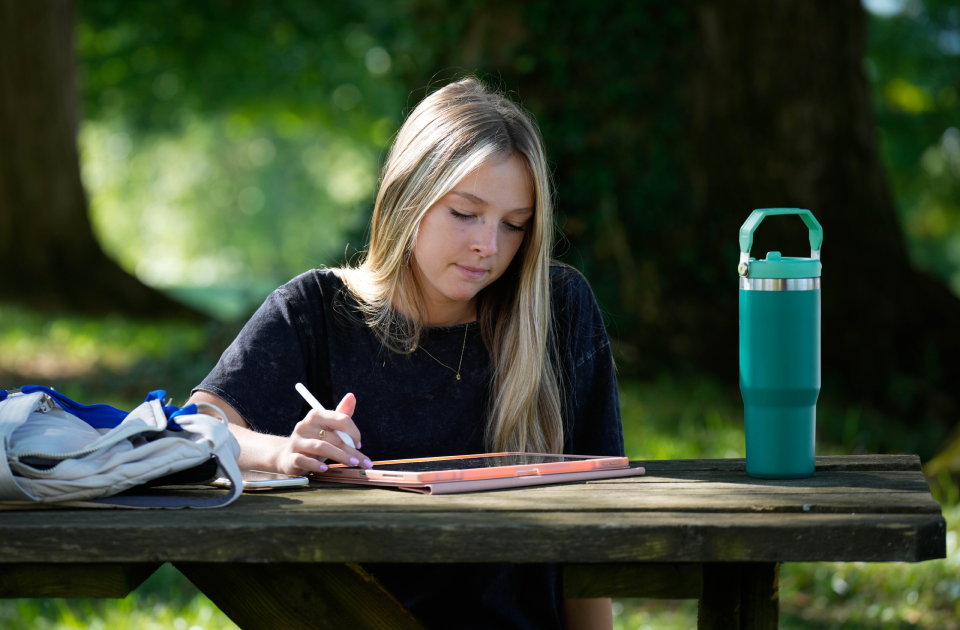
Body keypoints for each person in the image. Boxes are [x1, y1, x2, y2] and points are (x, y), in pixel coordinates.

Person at [188, 77, 623, 630]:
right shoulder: (316, 311)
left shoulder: (556, 311)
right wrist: (282, 452)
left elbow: (595, 525)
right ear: (408, 196)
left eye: (514, 225)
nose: (488, 246)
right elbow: (194, 429)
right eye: (465, 213)